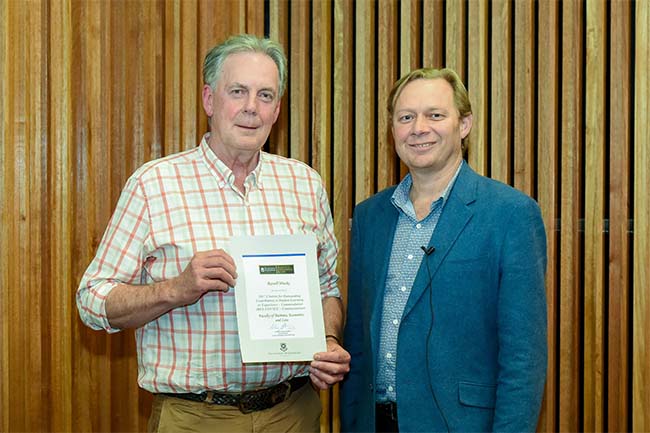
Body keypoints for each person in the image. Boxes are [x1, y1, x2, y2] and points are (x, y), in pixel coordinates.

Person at [77, 34, 350, 433]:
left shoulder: (305, 184)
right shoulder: (154, 185)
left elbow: (327, 288)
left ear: (277, 109)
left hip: (294, 412)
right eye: (237, 91)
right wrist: (175, 288)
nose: (251, 108)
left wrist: (327, 339)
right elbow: (91, 299)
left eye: (266, 95)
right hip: (195, 417)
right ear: (209, 99)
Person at [340, 68, 547, 433]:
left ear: (464, 124)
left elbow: (523, 358)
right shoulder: (370, 216)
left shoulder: (510, 214)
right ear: (393, 130)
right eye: (406, 117)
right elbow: (357, 336)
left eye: (435, 115)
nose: (419, 128)